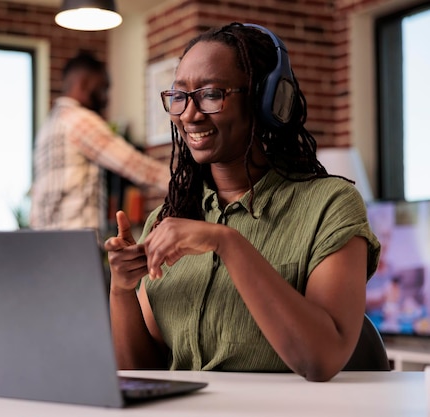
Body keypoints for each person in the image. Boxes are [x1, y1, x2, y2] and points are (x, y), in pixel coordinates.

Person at [105, 22, 381, 382]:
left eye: (210, 94)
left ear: (266, 100)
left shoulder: (330, 205)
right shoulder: (170, 219)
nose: (189, 113)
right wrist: (121, 289)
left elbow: (323, 358)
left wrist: (226, 241)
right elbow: (143, 376)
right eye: (179, 96)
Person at [30, 51, 170, 235]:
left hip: (46, 239)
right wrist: (190, 183)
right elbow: (134, 165)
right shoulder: (79, 120)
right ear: (84, 83)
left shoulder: (49, 125)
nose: (106, 97)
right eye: (103, 88)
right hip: (76, 240)